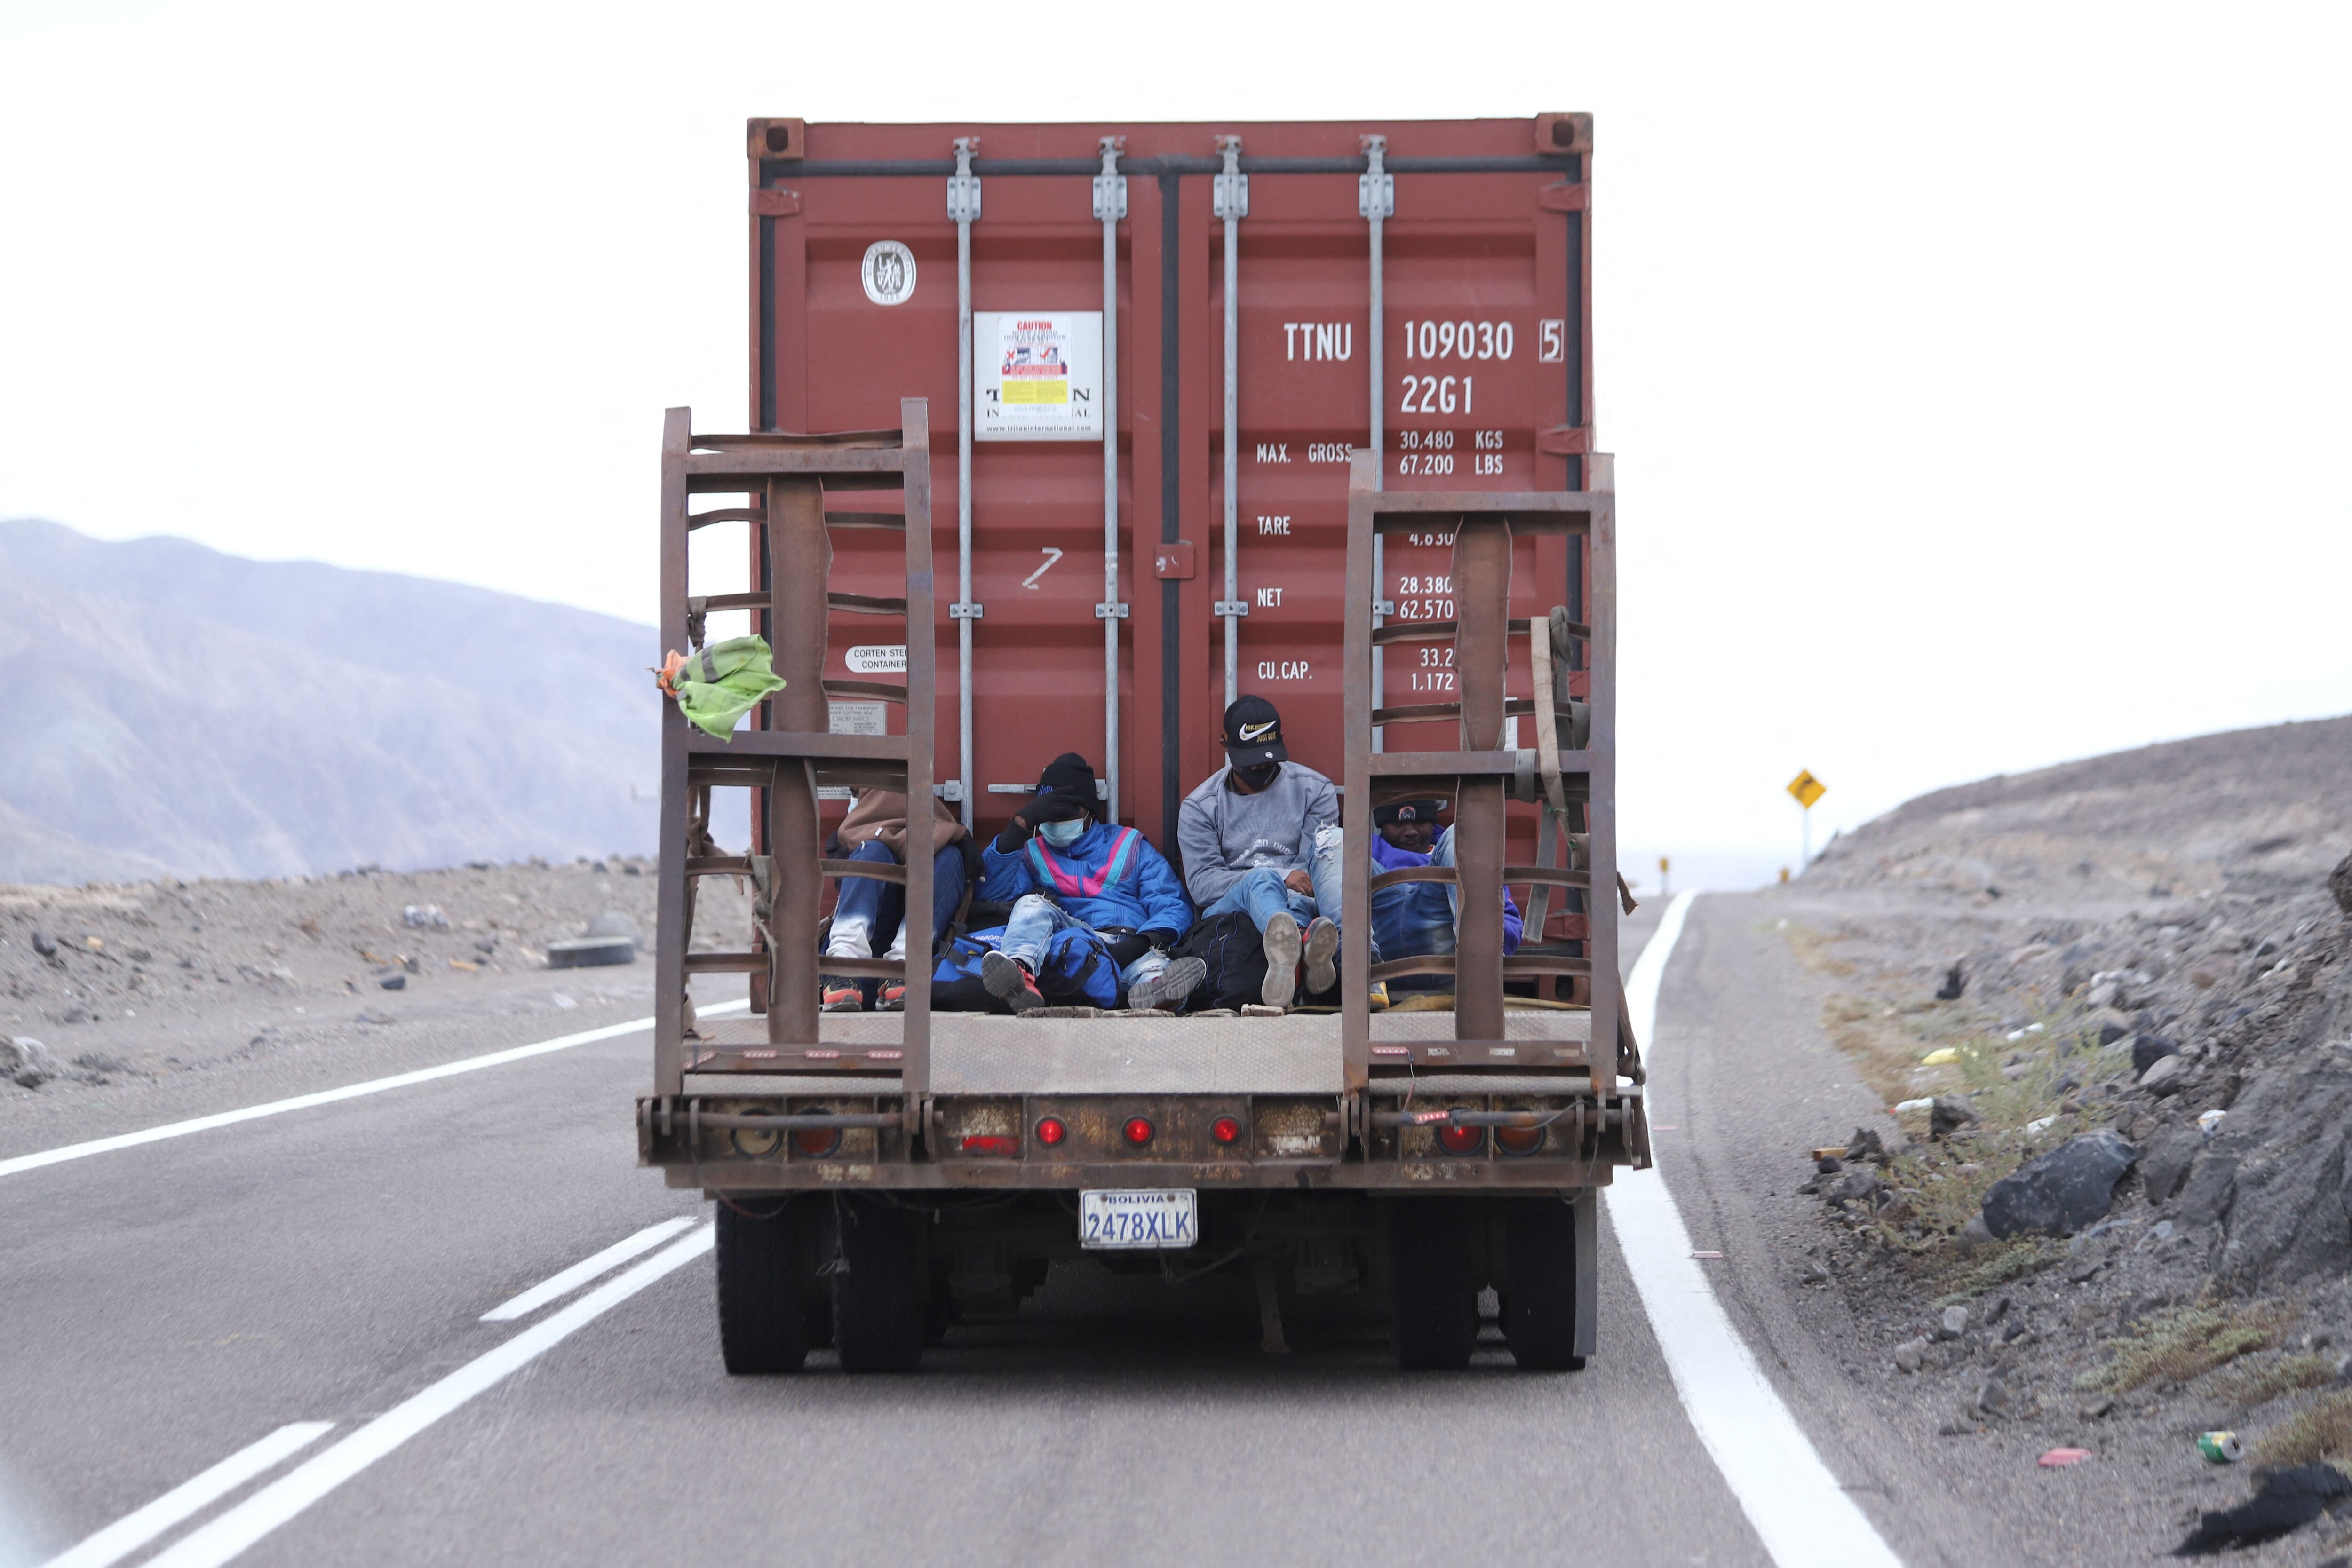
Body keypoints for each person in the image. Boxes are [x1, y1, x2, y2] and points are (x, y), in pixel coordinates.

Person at [1177, 695, 1379, 1009]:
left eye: (1267, 759)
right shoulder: (1200, 807)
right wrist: (1279, 876)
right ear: (1225, 745)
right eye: (1251, 760)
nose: (1259, 767)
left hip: (1297, 904)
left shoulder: (1315, 790)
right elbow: (1203, 885)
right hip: (1235, 909)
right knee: (1261, 881)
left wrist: (1291, 885)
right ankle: (1303, 952)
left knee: (1308, 886)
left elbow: (1319, 870)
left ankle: (1302, 959)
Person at [977, 753, 1204, 1014]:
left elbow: (1174, 905)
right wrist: (1019, 826)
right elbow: (991, 895)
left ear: (1090, 811)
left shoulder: (1128, 845)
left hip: (1128, 944)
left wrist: (1141, 943)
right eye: (1050, 812)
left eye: (1066, 812)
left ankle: (1159, 996)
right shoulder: (1031, 853)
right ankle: (1020, 974)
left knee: (1155, 971)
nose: (1058, 821)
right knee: (1029, 904)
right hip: (1070, 947)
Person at [820, 788, 970, 1013]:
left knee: (949, 856)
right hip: (859, 979)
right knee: (872, 850)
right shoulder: (856, 845)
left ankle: (904, 968)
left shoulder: (950, 855)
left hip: (912, 980)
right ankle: (842, 969)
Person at [1369, 797, 1522, 989]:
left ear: (1433, 821)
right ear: (1382, 825)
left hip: (1451, 962)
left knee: (1463, 830)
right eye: (1397, 823)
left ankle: (1479, 961)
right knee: (1331, 838)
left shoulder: (1459, 850)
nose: (1410, 831)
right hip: (1377, 958)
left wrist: (1494, 941)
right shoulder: (1365, 852)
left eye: (1420, 822)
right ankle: (1356, 966)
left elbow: (1508, 919)